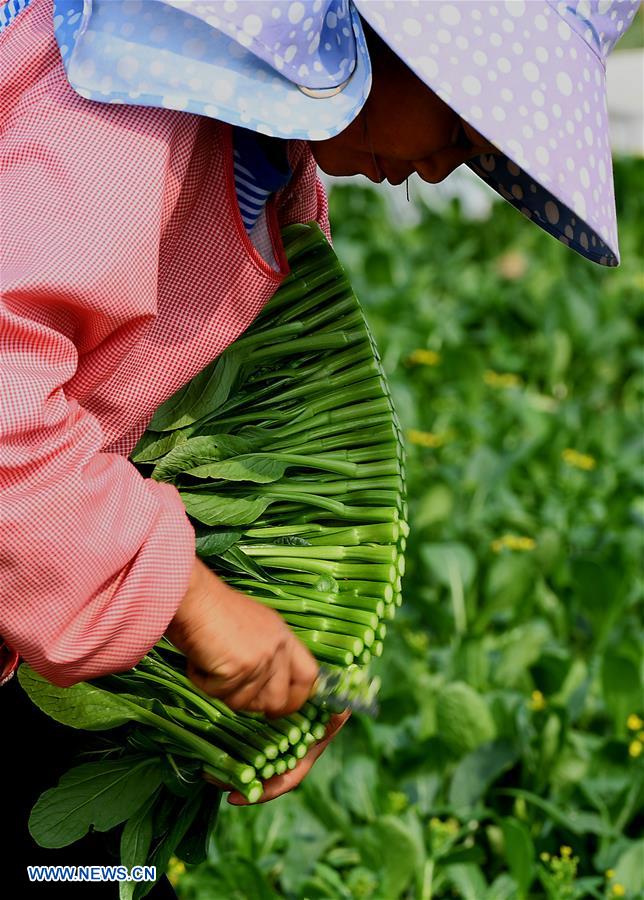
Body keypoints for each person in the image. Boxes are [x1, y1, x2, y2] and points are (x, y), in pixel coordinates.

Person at [1, 0, 638, 895]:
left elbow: (209, 425)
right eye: (469, 120)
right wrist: (189, 600)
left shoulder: (265, 158)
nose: (468, 161)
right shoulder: (123, 113)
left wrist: (278, 640)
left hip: (29, 604)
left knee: (79, 873)